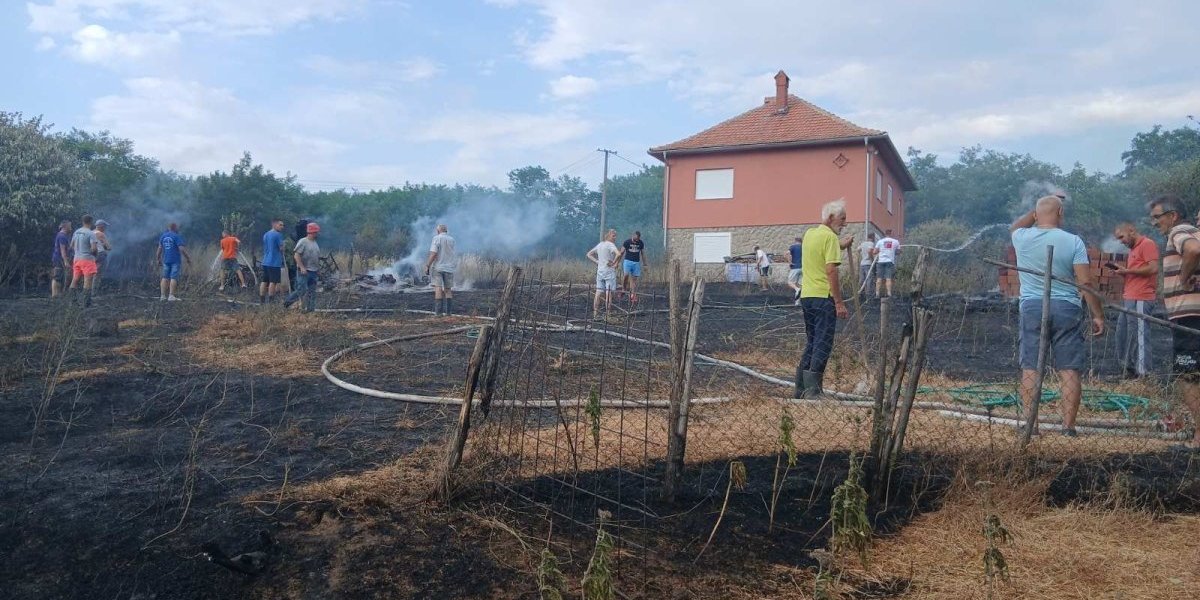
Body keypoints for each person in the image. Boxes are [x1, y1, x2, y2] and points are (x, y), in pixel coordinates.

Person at [1010, 195, 1104, 436]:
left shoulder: (1021, 237)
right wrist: (1098, 315)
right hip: (1067, 308)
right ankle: (1068, 428)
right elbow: (1084, 281)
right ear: (1060, 211)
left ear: (1035, 215)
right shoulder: (1074, 241)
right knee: (1069, 368)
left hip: (1032, 306)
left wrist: (1035, 213)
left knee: (1031, 367)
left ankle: (1031, 426)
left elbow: (1015, 227)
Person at [1147, 195, 1200, 449]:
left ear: (1173, 215)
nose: (1154, 222)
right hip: (1192, 316)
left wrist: (1183, 277)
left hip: (1189, 318)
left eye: (1157, 217)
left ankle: (1199, 438)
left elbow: (1193, 250)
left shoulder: (1180, 231)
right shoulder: (1194, 231)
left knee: (1189, 375)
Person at [795, 200, 854, 398]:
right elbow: (831, 270)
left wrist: (841, 244)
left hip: (806, 296)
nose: (845, 223)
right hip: (823, 297)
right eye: (842, 218)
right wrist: (838, 302)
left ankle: (800, 389)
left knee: (812, 341)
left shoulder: (810, 234)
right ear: (830, 218)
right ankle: (813, 392)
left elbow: (822, 247)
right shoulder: (829, 238)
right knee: (823, 342)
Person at [1111, 223, 1159, 379]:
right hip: (1130, 297)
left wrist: (1128, 271)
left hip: (1141, 297)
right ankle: (1129, 371)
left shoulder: (1147, 244)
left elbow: (1153, 269)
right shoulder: (1133, 250)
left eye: (1121, 237)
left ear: (1131, 231)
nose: (1121, 241)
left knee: (1139, 335)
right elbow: (1137, 273)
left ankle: (1144, 375)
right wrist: (1124, 273)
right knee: (1123, 334)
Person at [284, 222, 321, 312]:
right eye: (316, 232)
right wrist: (302, 267)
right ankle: (287, 302)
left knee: (312, 292)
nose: (317, 234)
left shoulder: (315, 243)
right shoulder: (303, 241)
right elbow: (296, 255)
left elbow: (315, 257)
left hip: (313, 271)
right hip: (304, 271)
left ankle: (310, 310)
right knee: (301, 290)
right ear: (312, 232)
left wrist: (317, 269)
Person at [424, 224, 459, 316]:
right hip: (449, 268)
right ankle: (449, 313)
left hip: (438, 267)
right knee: (448, 289)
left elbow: (433, 253)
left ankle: (438, 313)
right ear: (446, 231)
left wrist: (427, 265)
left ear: (438, 231)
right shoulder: (452, 240)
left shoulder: (436, 238)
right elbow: (454, 254)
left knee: (438, 288)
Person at [588, 229, 623, 320]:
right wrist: (614, 263)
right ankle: (607, 315)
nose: (615, 238)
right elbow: (619, 254)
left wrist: (597, 262)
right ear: (608, 236)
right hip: (609, 272)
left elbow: (589, 254)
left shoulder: (600, 244)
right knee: (609, 293)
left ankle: (595, 314)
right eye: (613, 236)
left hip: (600, 271)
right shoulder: (610, 245)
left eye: (615, 236)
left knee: (598, 292)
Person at [69, 215, 99, 308]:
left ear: (82, 221)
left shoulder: (76, 232)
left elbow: (71, 245)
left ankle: (72, 302)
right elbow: (94, 249)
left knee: (75, 280)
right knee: (87, 281)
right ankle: (86, 304)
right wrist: (93, 253)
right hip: (87, 260)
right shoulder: (91, 233)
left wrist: (78, 252)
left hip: (77, 259)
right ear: (91, 222)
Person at [156, 222, 191, 301]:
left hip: (166, 260)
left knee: (165, 277)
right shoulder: (176, 236)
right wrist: (188, 258)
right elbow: (181, 249)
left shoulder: (163, 236)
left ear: (169, 228)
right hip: (175, 260)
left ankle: (163, 296)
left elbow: (159, 249)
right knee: (173, 277)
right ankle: (171, 296)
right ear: (175, 228)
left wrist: (158, 259)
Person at [260, 219, 285, 303]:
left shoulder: (266, 234)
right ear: (274, 225)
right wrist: (283, 248)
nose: (282, 227)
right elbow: (281, 248)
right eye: (280, 225)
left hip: (265, 261)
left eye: (282, 225)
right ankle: (271, 302)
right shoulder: (278, 235)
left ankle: (262, 301)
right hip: (274, 262)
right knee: (273, 282)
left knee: (264, 281)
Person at [621, 231, 647, 303]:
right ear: (632, 236)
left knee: (634, 279)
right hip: (627, 261)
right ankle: (623, 288)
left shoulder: (641, 243)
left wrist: (645, 264)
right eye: (635, 239)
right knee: (626, 275)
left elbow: (643, 254)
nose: (636, 241)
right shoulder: (627, 242)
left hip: (636, 263)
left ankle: (633, 295)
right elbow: (621, 252)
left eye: (637, 240)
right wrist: (616, 262)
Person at [874, 230, 900, 298]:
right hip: (890, 262)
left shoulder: (880, 241)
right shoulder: (896, 241)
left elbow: (874, 252)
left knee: (879, 279)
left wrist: (881, 250)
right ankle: (889, 294)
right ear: (891, 234)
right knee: (888, 279)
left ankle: (877, 294)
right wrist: (892, 251)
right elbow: (898, 252)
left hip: (881, 262)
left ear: (885, 234)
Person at [50, 220, 72, 298]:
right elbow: (63, 250)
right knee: (57, 276)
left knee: (59, 276)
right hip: (59, 259)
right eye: (70, 226)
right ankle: (54, 295)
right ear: (65, 226)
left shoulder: (61, 235)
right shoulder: (62, 236)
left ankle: (57, 294)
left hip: (58, 259)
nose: (71, 228)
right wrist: (66, 262)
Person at [93, 219, 112, 294]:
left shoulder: (91, 233)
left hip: (91, 255)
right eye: (105, 226)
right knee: (98, 274)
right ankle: (93, 293)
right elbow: (109, 247)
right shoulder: (101, 234)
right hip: (100, 255)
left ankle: (88, 291)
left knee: (91, 273)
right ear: (101, 226)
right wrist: (106, 246)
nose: (105, 228)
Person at [858, 233, 876, 300]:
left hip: (862, 263)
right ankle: (869, 295)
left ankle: (860, 293)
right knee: (869, 279)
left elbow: (858, 250)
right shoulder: (871, 243)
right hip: (868, 263)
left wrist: (863, 255)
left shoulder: (863, 243)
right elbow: (869, 251)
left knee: (862, 279)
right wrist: (872, 259)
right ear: (872, 237)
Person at [787, 236, 803, 305]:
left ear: (795, 240)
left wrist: (790, 262)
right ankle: (797, 302)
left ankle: (797, 289)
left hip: (795, 267)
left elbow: (786, 253)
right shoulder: (804, 247)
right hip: (803, 268)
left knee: (790, 283)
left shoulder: (793, 247)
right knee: (800, 284)